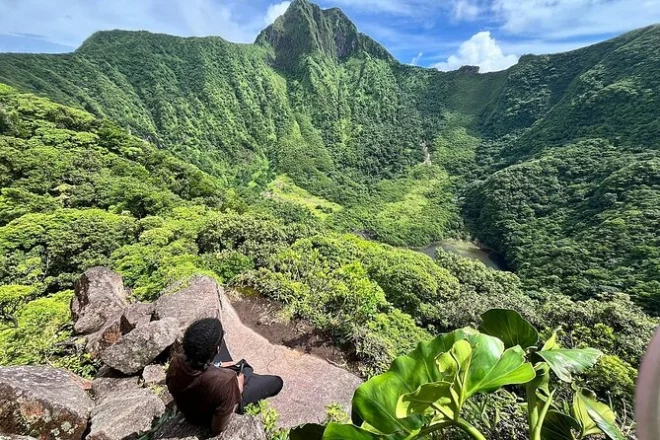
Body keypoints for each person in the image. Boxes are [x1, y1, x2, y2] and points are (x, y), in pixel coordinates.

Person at [166, 318, 284, 434]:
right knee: (277, 382)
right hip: (214, 407)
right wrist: (238, 387)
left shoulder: (176, 362)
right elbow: (218, 428)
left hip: (194, 405)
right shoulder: (226, 381)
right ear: (217, 349)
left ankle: (226, 364)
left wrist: (217, 366)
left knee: (219, 346)